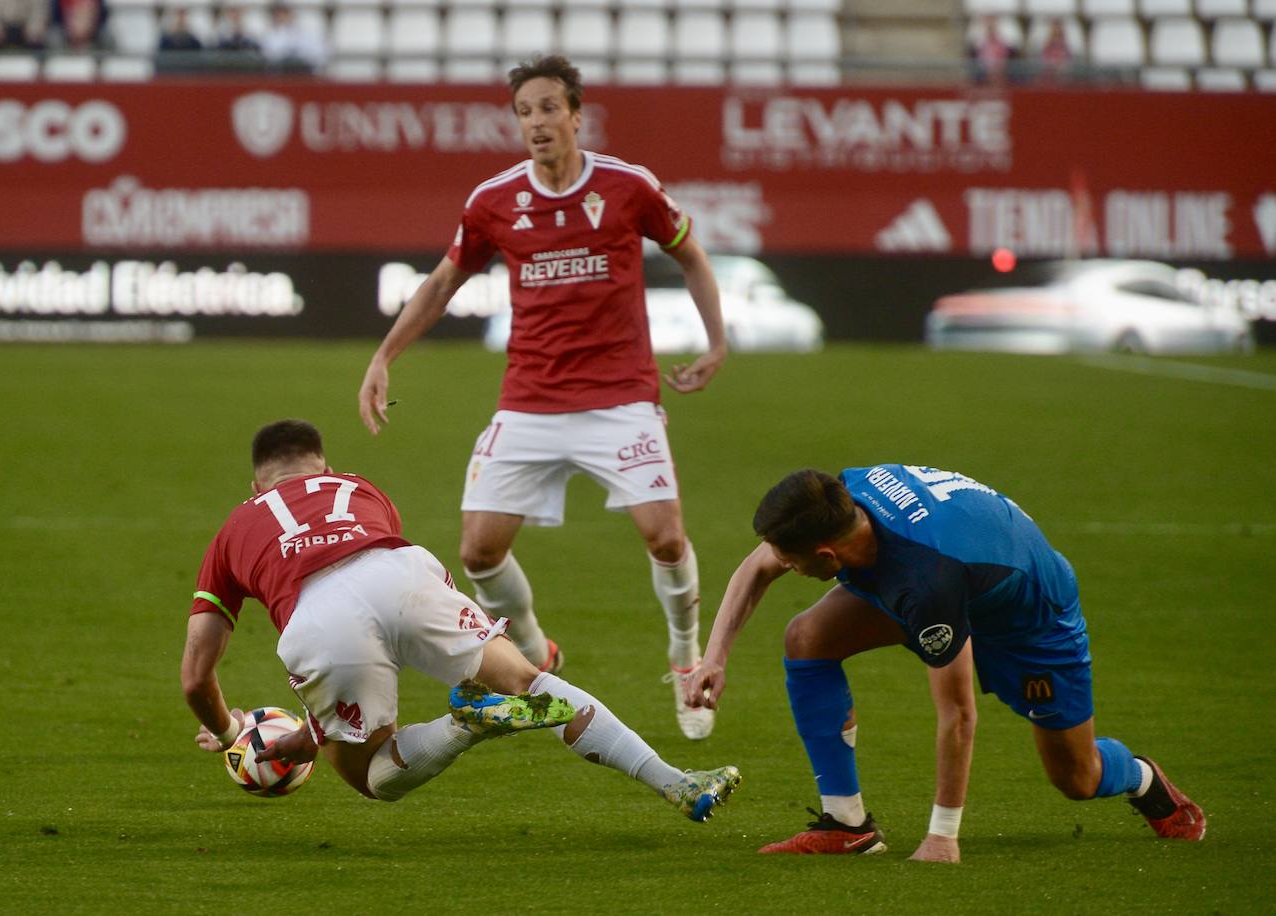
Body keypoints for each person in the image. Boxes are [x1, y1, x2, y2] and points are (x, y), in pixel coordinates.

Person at [357, 54, 727, 741]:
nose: (536, 123)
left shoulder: (627, 187)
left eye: (548, 108)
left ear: (577, 116)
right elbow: (443, 282)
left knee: (666, 536)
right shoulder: (493, 201)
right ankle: (533, 646)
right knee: (478, 552)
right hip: (529, 400)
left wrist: (715, 344)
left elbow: (693, 257)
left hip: (620, 399)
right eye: (524, 111)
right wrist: (385, 355)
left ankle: (685, 658)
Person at [180, 419, 741, 821]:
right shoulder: (359, 487)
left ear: (256, 487)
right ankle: (677, 782)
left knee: (373, 776)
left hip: (320, 617)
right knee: (529, 682)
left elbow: (195, 677)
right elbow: (368, 582)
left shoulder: (234, 528)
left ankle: (462, 725)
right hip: (401, 570)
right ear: (324, 468)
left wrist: (234, 735)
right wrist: (313, 728)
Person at [685, 464, 1205, 861]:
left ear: (826, 555)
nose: (786, 567)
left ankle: (1140, 777)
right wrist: (714, 657)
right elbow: (759, 566)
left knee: (1076, 777)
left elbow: (958, 715)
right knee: (807, 637)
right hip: (960, 578)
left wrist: (942, 834)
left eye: (793, 561)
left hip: (1031, 620)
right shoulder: (842, 498)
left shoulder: (925, 583)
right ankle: (846, 825)